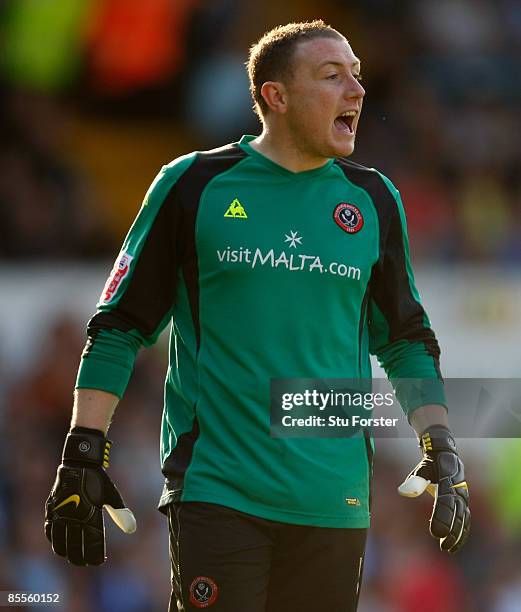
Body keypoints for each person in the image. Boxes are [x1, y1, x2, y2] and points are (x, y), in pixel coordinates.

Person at [44, 20, 470, 612]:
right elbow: (119, 325)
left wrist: (439, 442)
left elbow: (406, 338)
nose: (356, 90)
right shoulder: (194, 184)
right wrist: (83, 449)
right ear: (276, 95)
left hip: (335, 502)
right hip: (220, 493)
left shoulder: (373, 200)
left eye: (357, 75)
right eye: (332, 76)